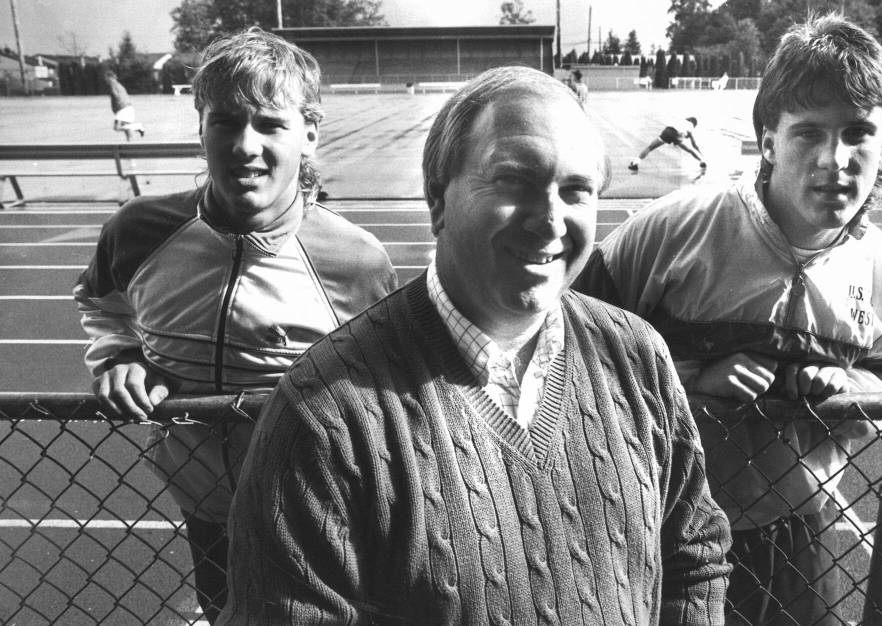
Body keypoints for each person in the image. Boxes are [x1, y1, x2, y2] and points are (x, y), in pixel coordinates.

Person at [220, 65, 732, 624]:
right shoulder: (326, 413)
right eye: (514, 181)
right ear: (437, 198)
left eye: (576, 190)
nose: (551, 221)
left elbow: (694, 552)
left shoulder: (635, 354)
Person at [574, 14, 882, 626]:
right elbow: (561, 349)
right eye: (808, 134)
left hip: (789, 530)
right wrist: (689, 382)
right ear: (768, 140)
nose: (836, 158)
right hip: (649, 519)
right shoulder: (671, 231)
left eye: (857, 133)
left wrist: (854, 390)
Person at [74, 28, 396, 624]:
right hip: (201, 504)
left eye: (270, 124)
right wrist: (118, 354)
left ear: (309, 133)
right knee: (223, 611)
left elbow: (386, 390)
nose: (245, 146)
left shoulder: (357, 261)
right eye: (225, 121)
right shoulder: (137, 231)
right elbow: (103, 306)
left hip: (315, 512)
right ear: (201, 126)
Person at [627, 117, 708, 179]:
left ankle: (635, 163)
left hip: (668, 131)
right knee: (689, 150)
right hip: (677, 134)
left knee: (650, 148)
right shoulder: (690, 127)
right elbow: (694, 144)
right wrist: (700, 153)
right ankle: (701, 161)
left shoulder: (680, 120)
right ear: (693, 123)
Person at [104, 70, 146, 140]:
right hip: (128, 107)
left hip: (123, 109)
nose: (105, 80)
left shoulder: (112, 83)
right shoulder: (119, 84)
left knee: (116, 127)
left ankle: (138, 126)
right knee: (127, 128)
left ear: (110, 77)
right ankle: (130, 145)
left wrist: (116, 100)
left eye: (106, 78)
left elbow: (115, 94)